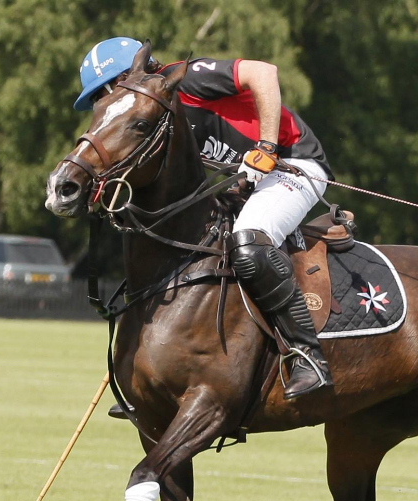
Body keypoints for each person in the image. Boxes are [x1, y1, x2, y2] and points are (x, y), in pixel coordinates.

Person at [75, 37, 334, 399]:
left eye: (108, 89)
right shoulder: (149, 120)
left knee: (249, 239)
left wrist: (267, 146)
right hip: (242, 181)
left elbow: (263, 72)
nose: (110, 101)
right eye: (100, 98)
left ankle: (308, 355)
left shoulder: (188, 79)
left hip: (293, 162)